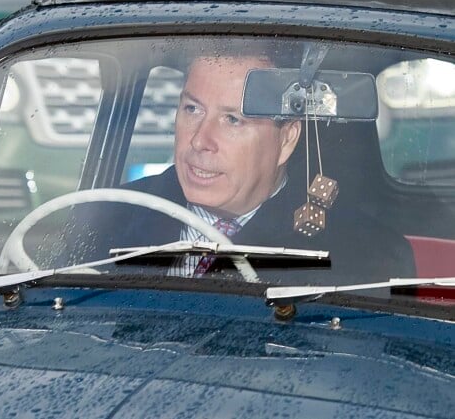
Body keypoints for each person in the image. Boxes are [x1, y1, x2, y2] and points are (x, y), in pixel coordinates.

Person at [66, 54, 415, 285]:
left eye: (233, 119)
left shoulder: (365, 255)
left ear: (287, 139)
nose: (200, 140)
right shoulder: (107, 218)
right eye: (192, 109)